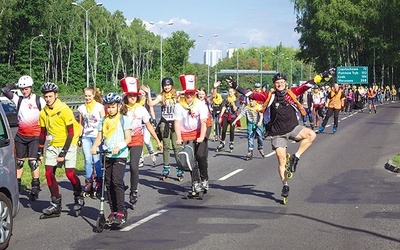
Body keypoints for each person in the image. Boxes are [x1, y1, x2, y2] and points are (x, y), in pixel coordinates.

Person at [229, 72, 328, 200]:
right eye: (277, 83)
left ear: (285, 83)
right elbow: (251, 94)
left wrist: (321, 76)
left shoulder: (292, 93)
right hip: (277, 133)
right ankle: (285, 184)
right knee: (281, 160)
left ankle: (295, 157)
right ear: (274, 84)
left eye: (282, 82)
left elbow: (307, 85)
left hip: (293, 128)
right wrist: (236, 87)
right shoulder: (269, 96)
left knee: (311, 135)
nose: (280, 84)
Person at [38, 82, 84, 217]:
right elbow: (42, 132)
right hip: (53, 145)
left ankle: (78, 195)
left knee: (70, 174)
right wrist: (40, 151)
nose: (48, 99)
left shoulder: (64, 110)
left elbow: (71, 132)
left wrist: (64, 152)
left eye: (50, 96)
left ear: (56, 95)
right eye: (45, 96)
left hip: (69, 143)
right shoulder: (43, 112)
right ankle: (55, 203)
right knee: (48, 174)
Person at [119, 77, 163, 205]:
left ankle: (133, 190)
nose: (132, 97)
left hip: (137, 139)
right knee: (119, 167)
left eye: (134, 95)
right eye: (130, 95)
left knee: (133, 167)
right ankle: (119, 185)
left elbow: (148, 126)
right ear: (126, 96)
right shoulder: (121, 109)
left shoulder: (141, 109)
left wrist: (157, 140)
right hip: (122, 140)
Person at [1, 75, 45, 200]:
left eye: (26, 88)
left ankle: (35, 186)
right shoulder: (18, 99)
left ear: (31, 88)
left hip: (35, 136)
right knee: (19, 162)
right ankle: (17, 185)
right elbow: (4, 90)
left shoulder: (39, 100)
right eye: (22, 89)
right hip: (21, 135)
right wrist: (15, 84)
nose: (24, 91)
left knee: (33, 162)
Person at [90, 93, 132, 224]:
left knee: (117, 181)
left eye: (113, 106)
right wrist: (95, 146)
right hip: (107, 154)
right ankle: (113, 211)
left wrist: (119, 147)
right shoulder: (103, 120)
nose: (110, 109)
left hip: (120, 155)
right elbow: (99, 137)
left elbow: (128, 138)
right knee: (108, 182)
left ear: (119, 106)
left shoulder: (124, 119)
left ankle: (120, 210)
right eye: (108, 107)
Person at [141, 78, 183, 181]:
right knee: (166, 147)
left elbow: (186, 92)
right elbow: (151, 104)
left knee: (176, 146)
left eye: (168, 85)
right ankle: (166, 167)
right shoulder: (161, 96)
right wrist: (149, 94)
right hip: (164, 123)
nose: (166, 87)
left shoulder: (176, 94)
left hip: (175, 123)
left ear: (172, 85)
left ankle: (179, 168)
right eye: (165, 85)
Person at [174, 74, 209, 193]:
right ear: (184, 94)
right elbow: (177, 123)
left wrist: (201, 136)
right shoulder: (179, 106)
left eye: (192, 93)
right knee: (191, 158)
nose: (189, 95)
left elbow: (204, 122)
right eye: (187, 93)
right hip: (186, 134)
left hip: (199, 132)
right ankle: (195, 182)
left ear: (195, 94)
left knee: (200, 156)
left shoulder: (201, 104)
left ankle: (204, 178)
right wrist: (178, 138)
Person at [77, 87, 105, 197]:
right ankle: (89, 181)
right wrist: (79, 137)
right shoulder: (81, 108)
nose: (87, 98)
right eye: (86, 96)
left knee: (96, 160)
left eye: (89, 95)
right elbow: (81, 123)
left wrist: (103, 136)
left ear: (93, 95)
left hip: (97, 136)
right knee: (88, 160)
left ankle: (99, 180)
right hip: (86, 136)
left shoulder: (99, 107)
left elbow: (104, 122)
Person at [232, 95, 265, 160]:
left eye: (252, 101)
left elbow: (261, 115)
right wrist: (235, 121)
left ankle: (260, 147)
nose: (251, 102)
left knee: (260, 136)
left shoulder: (259, 107)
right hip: (250, 124)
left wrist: (260, 122)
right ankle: (250, 151)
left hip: (257, 124)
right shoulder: (247, 108)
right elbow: (241, 114)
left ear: (255, 101)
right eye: (250, 101)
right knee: (250, 137)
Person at [214, 82, 240, 152]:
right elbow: (224, 107)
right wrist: (221, 116)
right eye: (229, 92)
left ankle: (231, 142)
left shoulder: (237, 99)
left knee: (232, 130)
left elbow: (235, 109)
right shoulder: (226, 99)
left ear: (234, 92)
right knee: (224, 130)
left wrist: (233, 103)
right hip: (226, 115)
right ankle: (222, 142)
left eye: (231, 92)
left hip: (233, 116)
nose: (230, 93)